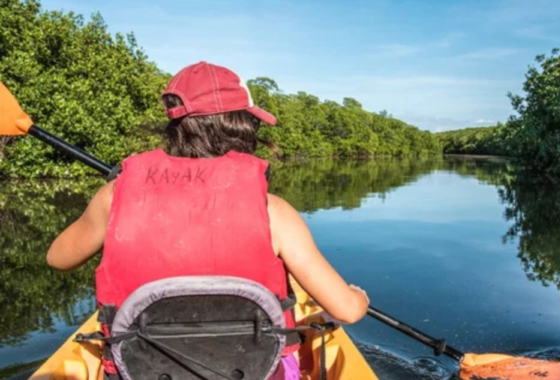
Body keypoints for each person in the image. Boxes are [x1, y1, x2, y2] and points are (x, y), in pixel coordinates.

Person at [46, 61, 370, 379]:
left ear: (174, 127)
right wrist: (358, 296)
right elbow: (348, 310)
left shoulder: (113, 197)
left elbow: (57, 258)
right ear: (242, 127)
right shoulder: (275, 211)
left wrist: (117, 193)